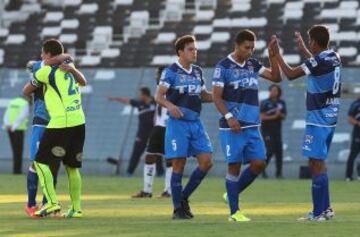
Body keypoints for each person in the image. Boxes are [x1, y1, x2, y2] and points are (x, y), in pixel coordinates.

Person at [273, 25, 340, 221]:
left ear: (315, 42)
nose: (309, 44)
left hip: (318, 119)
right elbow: (316, 62)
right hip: (330, 117)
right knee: (318, 162)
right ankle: (326, 209)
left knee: (315, 163)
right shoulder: (334, 56)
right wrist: (303, 48)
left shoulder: (318, 60)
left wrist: (277, 55)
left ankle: (318, 212)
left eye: (310, 41)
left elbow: (291, 74)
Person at [212, 30, 281, 222]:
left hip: (252, 125)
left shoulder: (253, 64)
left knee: (259, 163)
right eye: (247, 47)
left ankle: (231, 194)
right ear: (237, 45)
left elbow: (276, 77)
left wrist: (273, 56)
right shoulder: (223, 67)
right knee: (233, 166)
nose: (250, 51)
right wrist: (228, 117)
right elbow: (216, 97)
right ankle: (234, 213)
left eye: (252, 48)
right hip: (232, 127)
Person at [155, 35, 213, 219]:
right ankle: (177, 209)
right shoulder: (170, 72)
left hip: (196, 123)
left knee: (206, 162)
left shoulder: (197, 71)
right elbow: (159, 96)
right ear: (180, 51)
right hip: (178, 124)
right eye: (191, 49)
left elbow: (204, 96)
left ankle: (183, 198)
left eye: (195, 49)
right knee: (179, 164)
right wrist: (171, 106)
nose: (194, 52)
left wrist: (223, 95)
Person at [27, 39, 87, 218]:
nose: (41, 56)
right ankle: (76, 209)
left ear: (48, 55)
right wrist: (71, 66)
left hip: (61, 122)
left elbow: (26, 90)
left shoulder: (45, 71)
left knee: (39, 162)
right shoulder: (70, 68)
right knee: (72, 167)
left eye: (43, 53)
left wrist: (37, 81)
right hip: (79, 120)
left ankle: (52, 202)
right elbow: (83, 81)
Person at [132, 66, 172, 198]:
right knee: (150, 156)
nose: (156, 76)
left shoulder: (172, 88)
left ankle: (168, 191)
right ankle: (147, 190)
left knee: (170, 159)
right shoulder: (158, 88)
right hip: (158, 127)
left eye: (158, 74)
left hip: (170, 127)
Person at [108, 87, 156, 176]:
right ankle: (129, 172)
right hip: (142, 134)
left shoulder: (155, 102)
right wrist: (114, 98)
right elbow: (126, 100)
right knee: (136, 153)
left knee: (156, 153)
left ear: (145, 95)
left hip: (154, 133)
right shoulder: (139, 103)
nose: (139, 96)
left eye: (140, 94)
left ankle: (160, 173)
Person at [260, 84, 286, 179]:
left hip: (277, 131)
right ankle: (262, 169)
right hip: (267, 130)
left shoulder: (281, 103)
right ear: (269, 91)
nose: (274, 92)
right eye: (272, 90)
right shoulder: (265, 103)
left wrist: (280, 115)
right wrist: (274, 116)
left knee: (279, 152)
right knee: (269, 150)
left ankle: (279, 174)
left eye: (276, 90)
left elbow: (284, 116)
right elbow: (262, 117)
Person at [2, 95, 30, 174]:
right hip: (18, 129)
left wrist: (7, 125)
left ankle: (15, 170)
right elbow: (22, 116)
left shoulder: (12, 102)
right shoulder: (25, 103)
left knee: (14, 150)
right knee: (18, 151)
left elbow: (6, 115)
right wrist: (14, 126)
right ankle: (17, 171)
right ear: (26, 98)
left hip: (9, 128)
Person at [345, 97, 360, 181]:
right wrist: (358, 123)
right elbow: (350, 118)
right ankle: (348, 176)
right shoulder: (356, 104)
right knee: (353, 155)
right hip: (357, 132)